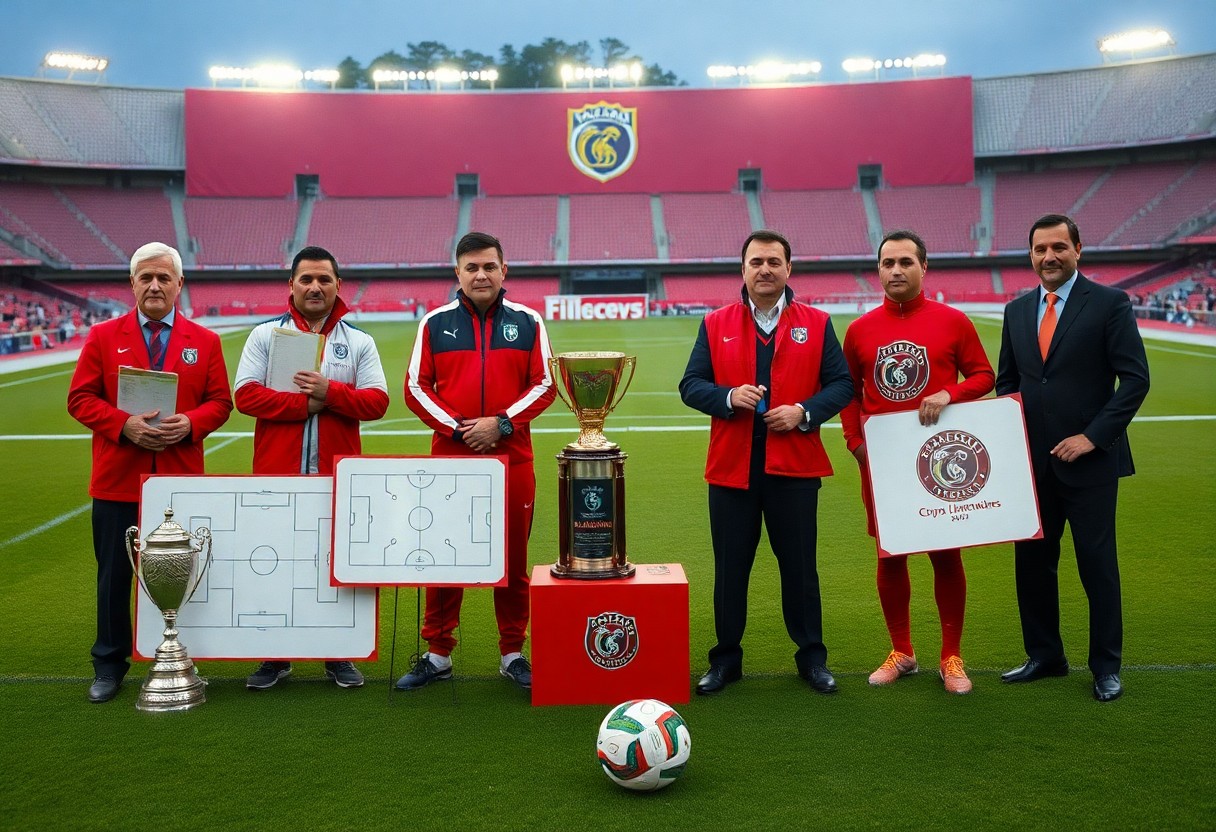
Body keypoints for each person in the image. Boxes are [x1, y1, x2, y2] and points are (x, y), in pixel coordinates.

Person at [679, 229, 853, 696]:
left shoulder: (817, 322)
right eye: (756, 262)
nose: (765, 269)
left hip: (794, 468)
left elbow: (841, 384)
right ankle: (725, 660)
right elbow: (691, 385)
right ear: (743, 269)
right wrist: (727, 396)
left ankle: (812, 658)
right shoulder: (715, 323)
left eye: (774, 262)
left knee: (800, 568)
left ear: (788, 269)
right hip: (732, 469)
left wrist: (804, 412)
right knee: (730, 569)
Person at [67, 242, 233, 704]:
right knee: (114, 576)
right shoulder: (103, 336)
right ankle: (109, 664)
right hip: (118, 479)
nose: (155, 286)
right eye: (146, 277)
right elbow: (80, 398)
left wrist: (192, 423)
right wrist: (124, 425)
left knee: (184, 571)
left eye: (164, 278)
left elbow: (221, 402)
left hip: (180, 480)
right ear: (133, 284)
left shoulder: (205, 341)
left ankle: (187, 654)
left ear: (180, 284)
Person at [996, 214, 1149, 702]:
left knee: (1096, 566)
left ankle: (1105, 666)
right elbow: (1009, 382)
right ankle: (1045, 656)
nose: (1049, 257)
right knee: (1032, 564)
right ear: (1030, 255)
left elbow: (1136, 380)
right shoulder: (1016, 311)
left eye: (1059, 247)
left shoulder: (1108, 303)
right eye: (1040, 249)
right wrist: (1010, 438)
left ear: (1078, 250)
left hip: (1091, 464)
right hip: (1033, 465)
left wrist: (1092, 437)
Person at [840, 230, 995, 695]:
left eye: (905, 262)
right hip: (883, 462)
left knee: (946, 554)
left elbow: (984, 375)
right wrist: (855, 442)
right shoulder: (860, 330)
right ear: (878, 270)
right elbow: (848, 391)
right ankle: (902, 651)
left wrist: (950, 393)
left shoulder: (953, 321)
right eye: (888, 263)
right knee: (891, 556)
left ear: (924, 267)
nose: (896, 270)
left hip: (938, 458)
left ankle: (951, 656)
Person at [400, 231, 556, 692]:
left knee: (513, 560)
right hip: (450, 461)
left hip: (513, 459)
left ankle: (512, 654)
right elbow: (415, 387)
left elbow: (546, 384)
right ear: (458, 273)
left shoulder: (528, 322)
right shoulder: (434, 323)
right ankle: (438, 653)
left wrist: (501, 425)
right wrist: (461, 429)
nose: (481, 275)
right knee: (443, 558)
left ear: (504, 270)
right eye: (472, 267)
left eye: (489, 266)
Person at [234, 245, 389, 691]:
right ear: (292, 285)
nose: (315, 287)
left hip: (336, 477)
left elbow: (377, 401)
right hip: (276, 476)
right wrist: (305, 405)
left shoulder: (358, 341)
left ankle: (336, 654)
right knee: (274, 562)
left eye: (324, 279)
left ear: (338, 285)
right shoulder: (265, 335)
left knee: (331, 564)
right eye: (306, 279)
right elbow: (245, 395)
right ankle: (274, 654)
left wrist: (331, 392)